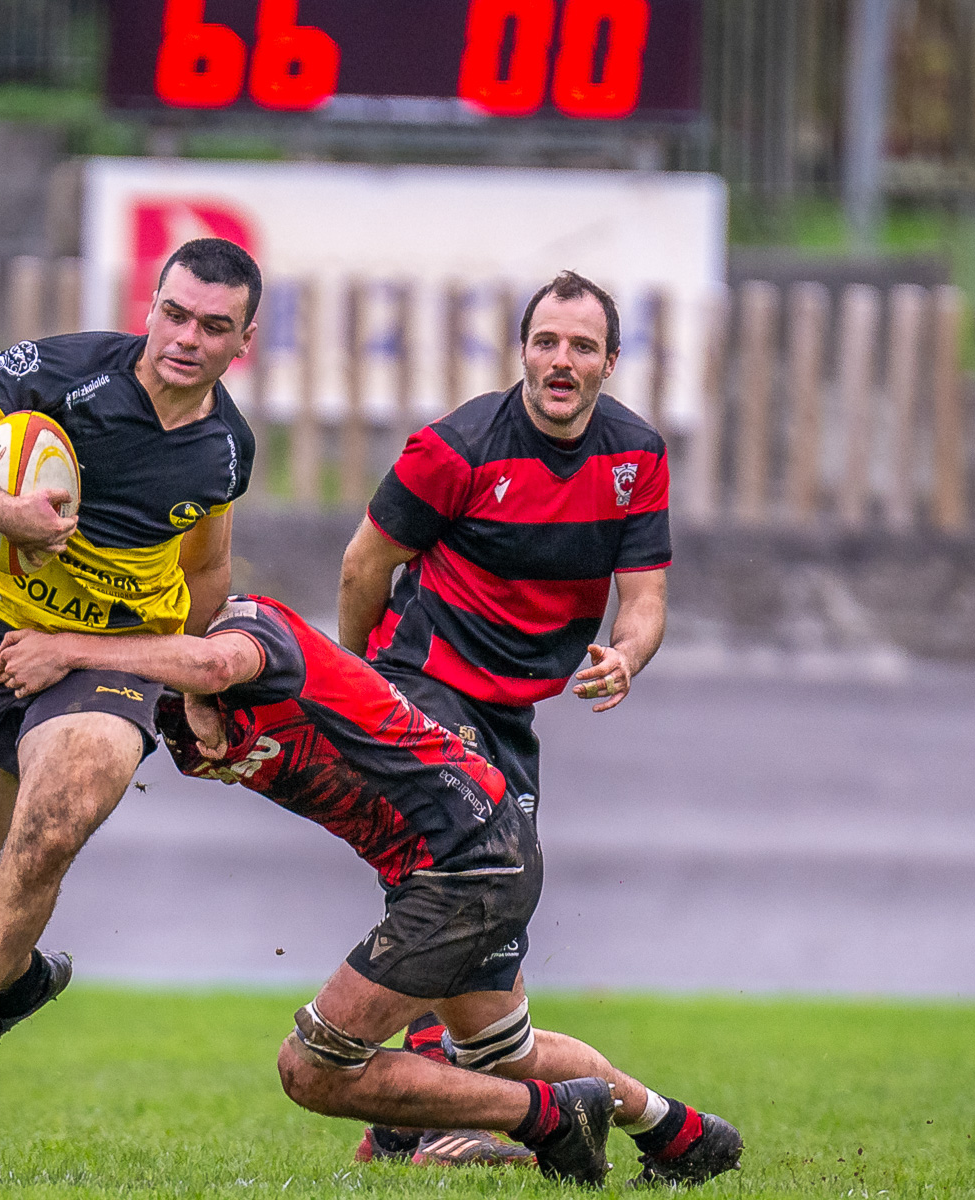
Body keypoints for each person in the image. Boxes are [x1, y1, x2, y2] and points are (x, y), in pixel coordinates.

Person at [0, 594, 743, 1187]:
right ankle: (680, 1133)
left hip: (465, 860)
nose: (199, 753)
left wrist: (70, 645)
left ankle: (550, 1122)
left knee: (314, 1070)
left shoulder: (252, 635)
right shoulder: (158, 710)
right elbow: (52, 789)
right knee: (501, 1048)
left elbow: (215, 655)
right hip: (464, 856)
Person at [0, 237, 261, 1157]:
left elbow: (208, 567)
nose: (185, 338)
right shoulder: (64, 371)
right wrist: (8, 516)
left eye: (213, 326)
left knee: (54, 824)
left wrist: (182, 693)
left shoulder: (224, 446)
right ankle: (22, 977)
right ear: (148, 305)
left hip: (113, 658)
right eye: (173, 313)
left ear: (243, 341)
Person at [335, 270, 671, 1165]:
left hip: (512, 707)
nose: (563, 362)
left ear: (610, 361)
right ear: (523, 349)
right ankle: (441, 1107)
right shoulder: (457, 447)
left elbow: (645, 599)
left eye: (583, 347)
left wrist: (626, 654)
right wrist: (361, 688)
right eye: (548, 342)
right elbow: (364, 565)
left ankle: (427, 1110)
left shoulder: (635, 455)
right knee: (471, 876)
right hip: (426, 681)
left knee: (494, 906)